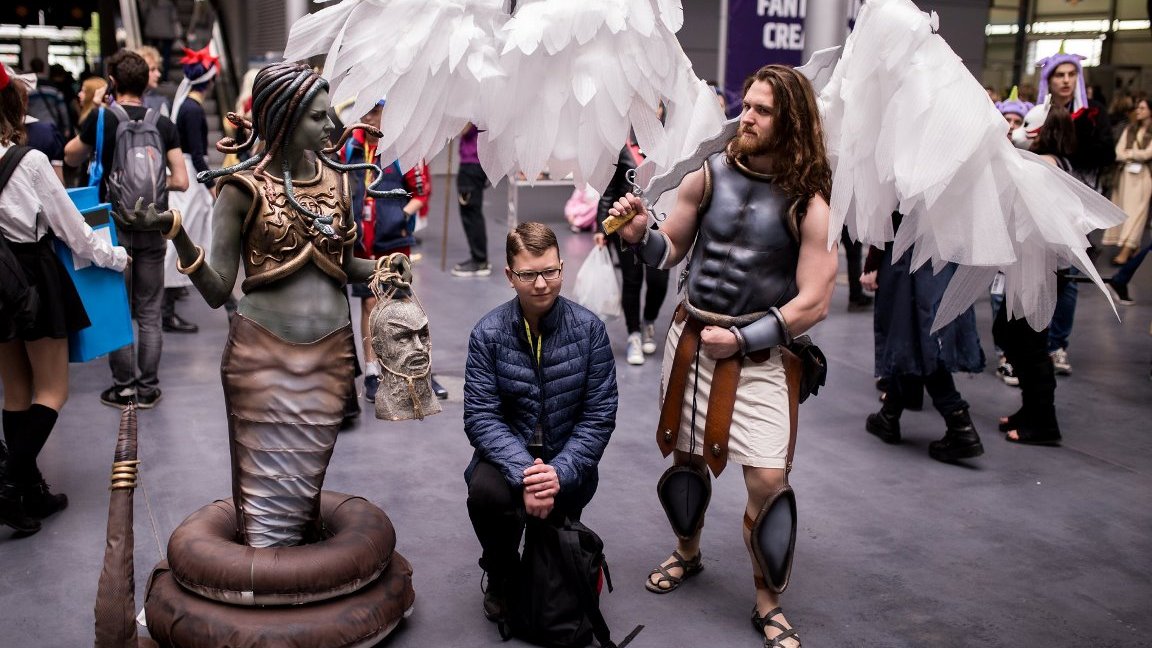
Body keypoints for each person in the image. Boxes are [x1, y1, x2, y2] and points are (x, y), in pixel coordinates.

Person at [116, 62, 410, 548]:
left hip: (332, 359)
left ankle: (298, 573)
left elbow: (347, 265)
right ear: (284, 118)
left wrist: (385, 267)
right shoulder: (242, 187)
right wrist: (177, 233)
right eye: (317, 116)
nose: (331, 125)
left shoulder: (338, 181)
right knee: (263, 503)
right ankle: (262, 574)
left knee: (305, 486)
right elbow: (217, 290)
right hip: (260, 362)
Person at [610, 65, 838, 648]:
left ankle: (768, 601)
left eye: (762, 111)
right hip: (692, 342)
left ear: (791, 122)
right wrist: (640, 236)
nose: (746, 118)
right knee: (686, 460)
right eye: (747, 105)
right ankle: (687, 552)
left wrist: (741, 340)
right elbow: (669, 250)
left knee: (768, 480)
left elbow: (814, 302)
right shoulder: (708, 173)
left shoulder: (809, 202)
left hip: (758, 356)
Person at [463, 221, 617, 622]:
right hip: (509, 456)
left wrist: (559, 473)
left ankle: (545, 550)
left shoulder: (590, 331)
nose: (542, 284)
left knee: (552, 572)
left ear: (562, 268)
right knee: (486, 495)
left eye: (550, 271)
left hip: (567, 458)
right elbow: (480, 416)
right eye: (529, 274)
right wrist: (526, 474)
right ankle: (499, 571)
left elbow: (598, 416)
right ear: (510, 275)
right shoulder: (488, 334)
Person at [0, 63, 128, 536]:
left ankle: (30, 490)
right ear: (14, 106)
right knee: (52, 391)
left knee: (17, 391)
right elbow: (75, 232)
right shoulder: (30, 161)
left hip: (0, 282)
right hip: (33, 278)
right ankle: (8, 484)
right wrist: (116, 257)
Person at [64, 50, 187, 409]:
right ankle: (148, 388)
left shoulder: (102, 118)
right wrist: (153, 183)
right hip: (153, 227)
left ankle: (123, 388)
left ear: (113, 82)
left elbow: (70, 155)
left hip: (113, 230)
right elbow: (180, 180)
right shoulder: (163, 124)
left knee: (118, 307)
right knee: (150, 311)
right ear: (146, 83)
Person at [340, 99, 441, 403]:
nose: (368, 116)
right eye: (365, 110)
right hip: (361, 241)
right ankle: (372, 372)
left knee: (403, 304)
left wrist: (398, 218)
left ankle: (418, 370)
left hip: (393, 242)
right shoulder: (350, 146)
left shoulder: (403, 146)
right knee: (369, 303)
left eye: (375, 110)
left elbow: (421, 192)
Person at [860, 219, 986, 462]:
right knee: (910, 334)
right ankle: (889, 414)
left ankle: (960, 425)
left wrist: (873, 261)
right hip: (943, 250)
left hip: (911, 252)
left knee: (919, 337)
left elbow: (890, 209)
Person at [995, 104, 1079, 447]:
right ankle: (1031, 409)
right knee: (1013, 335)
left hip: (1040, 271)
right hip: (1035, 269)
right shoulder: (1054, 163)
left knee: (1029, 345)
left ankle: (1043, 421)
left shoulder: (1045, 165)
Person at [1035, 48, 1116, 376]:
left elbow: (1106, 154)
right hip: (1040, 201)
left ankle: (1057, 345)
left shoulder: (1093, 113)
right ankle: (1032, 343)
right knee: (1035, 272)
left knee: (1066, 276)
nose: (1066, 81)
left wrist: (1064, 156)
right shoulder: (1039, 111)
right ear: (1049, 79)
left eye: (1072, 74)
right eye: (1060, 75)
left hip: (1078, 205)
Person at [595, 129, 670, 366]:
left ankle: (649, 321)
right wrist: (601, 229)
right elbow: (608, 190)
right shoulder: (621, 148)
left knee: (659, 282)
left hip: (661, 225)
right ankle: (634, 335)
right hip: (625, 225)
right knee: (632, 280)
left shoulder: (668, 145)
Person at [161, 46, 220, 334]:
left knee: (182, 239)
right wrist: (211, 185)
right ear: (210, 81)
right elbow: (197, 155)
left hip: (187, 176)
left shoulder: (185, 106)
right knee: (182, 241)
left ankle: (168, 306)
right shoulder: (193, 110)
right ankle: (167, 310)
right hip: (192, 181)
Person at [1102, 96, 1150, 266]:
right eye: (1137, 108)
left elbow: (1148, 154)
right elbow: (1118, 152)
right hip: (1125, 176)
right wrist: (1133, 155)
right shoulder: (1130, 129)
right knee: (1124, 210)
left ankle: (1126, 249)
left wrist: (1130, 154)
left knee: (1138, 213)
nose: (1138, 111)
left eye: (1142, 108)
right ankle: (1132, 246)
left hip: (1144, 176)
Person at [452, 123, 491, 277]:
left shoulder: (474, 110)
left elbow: (462, 129)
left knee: (471, 213)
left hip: (472, 162)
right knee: (472, 212)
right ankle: (479, 258)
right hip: (477, 161)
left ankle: (480, 260)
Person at [134, 46, 172, 118]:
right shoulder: (127, 101)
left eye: (158, 69)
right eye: (152, 69)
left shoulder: (161, 103)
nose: (158, 74)